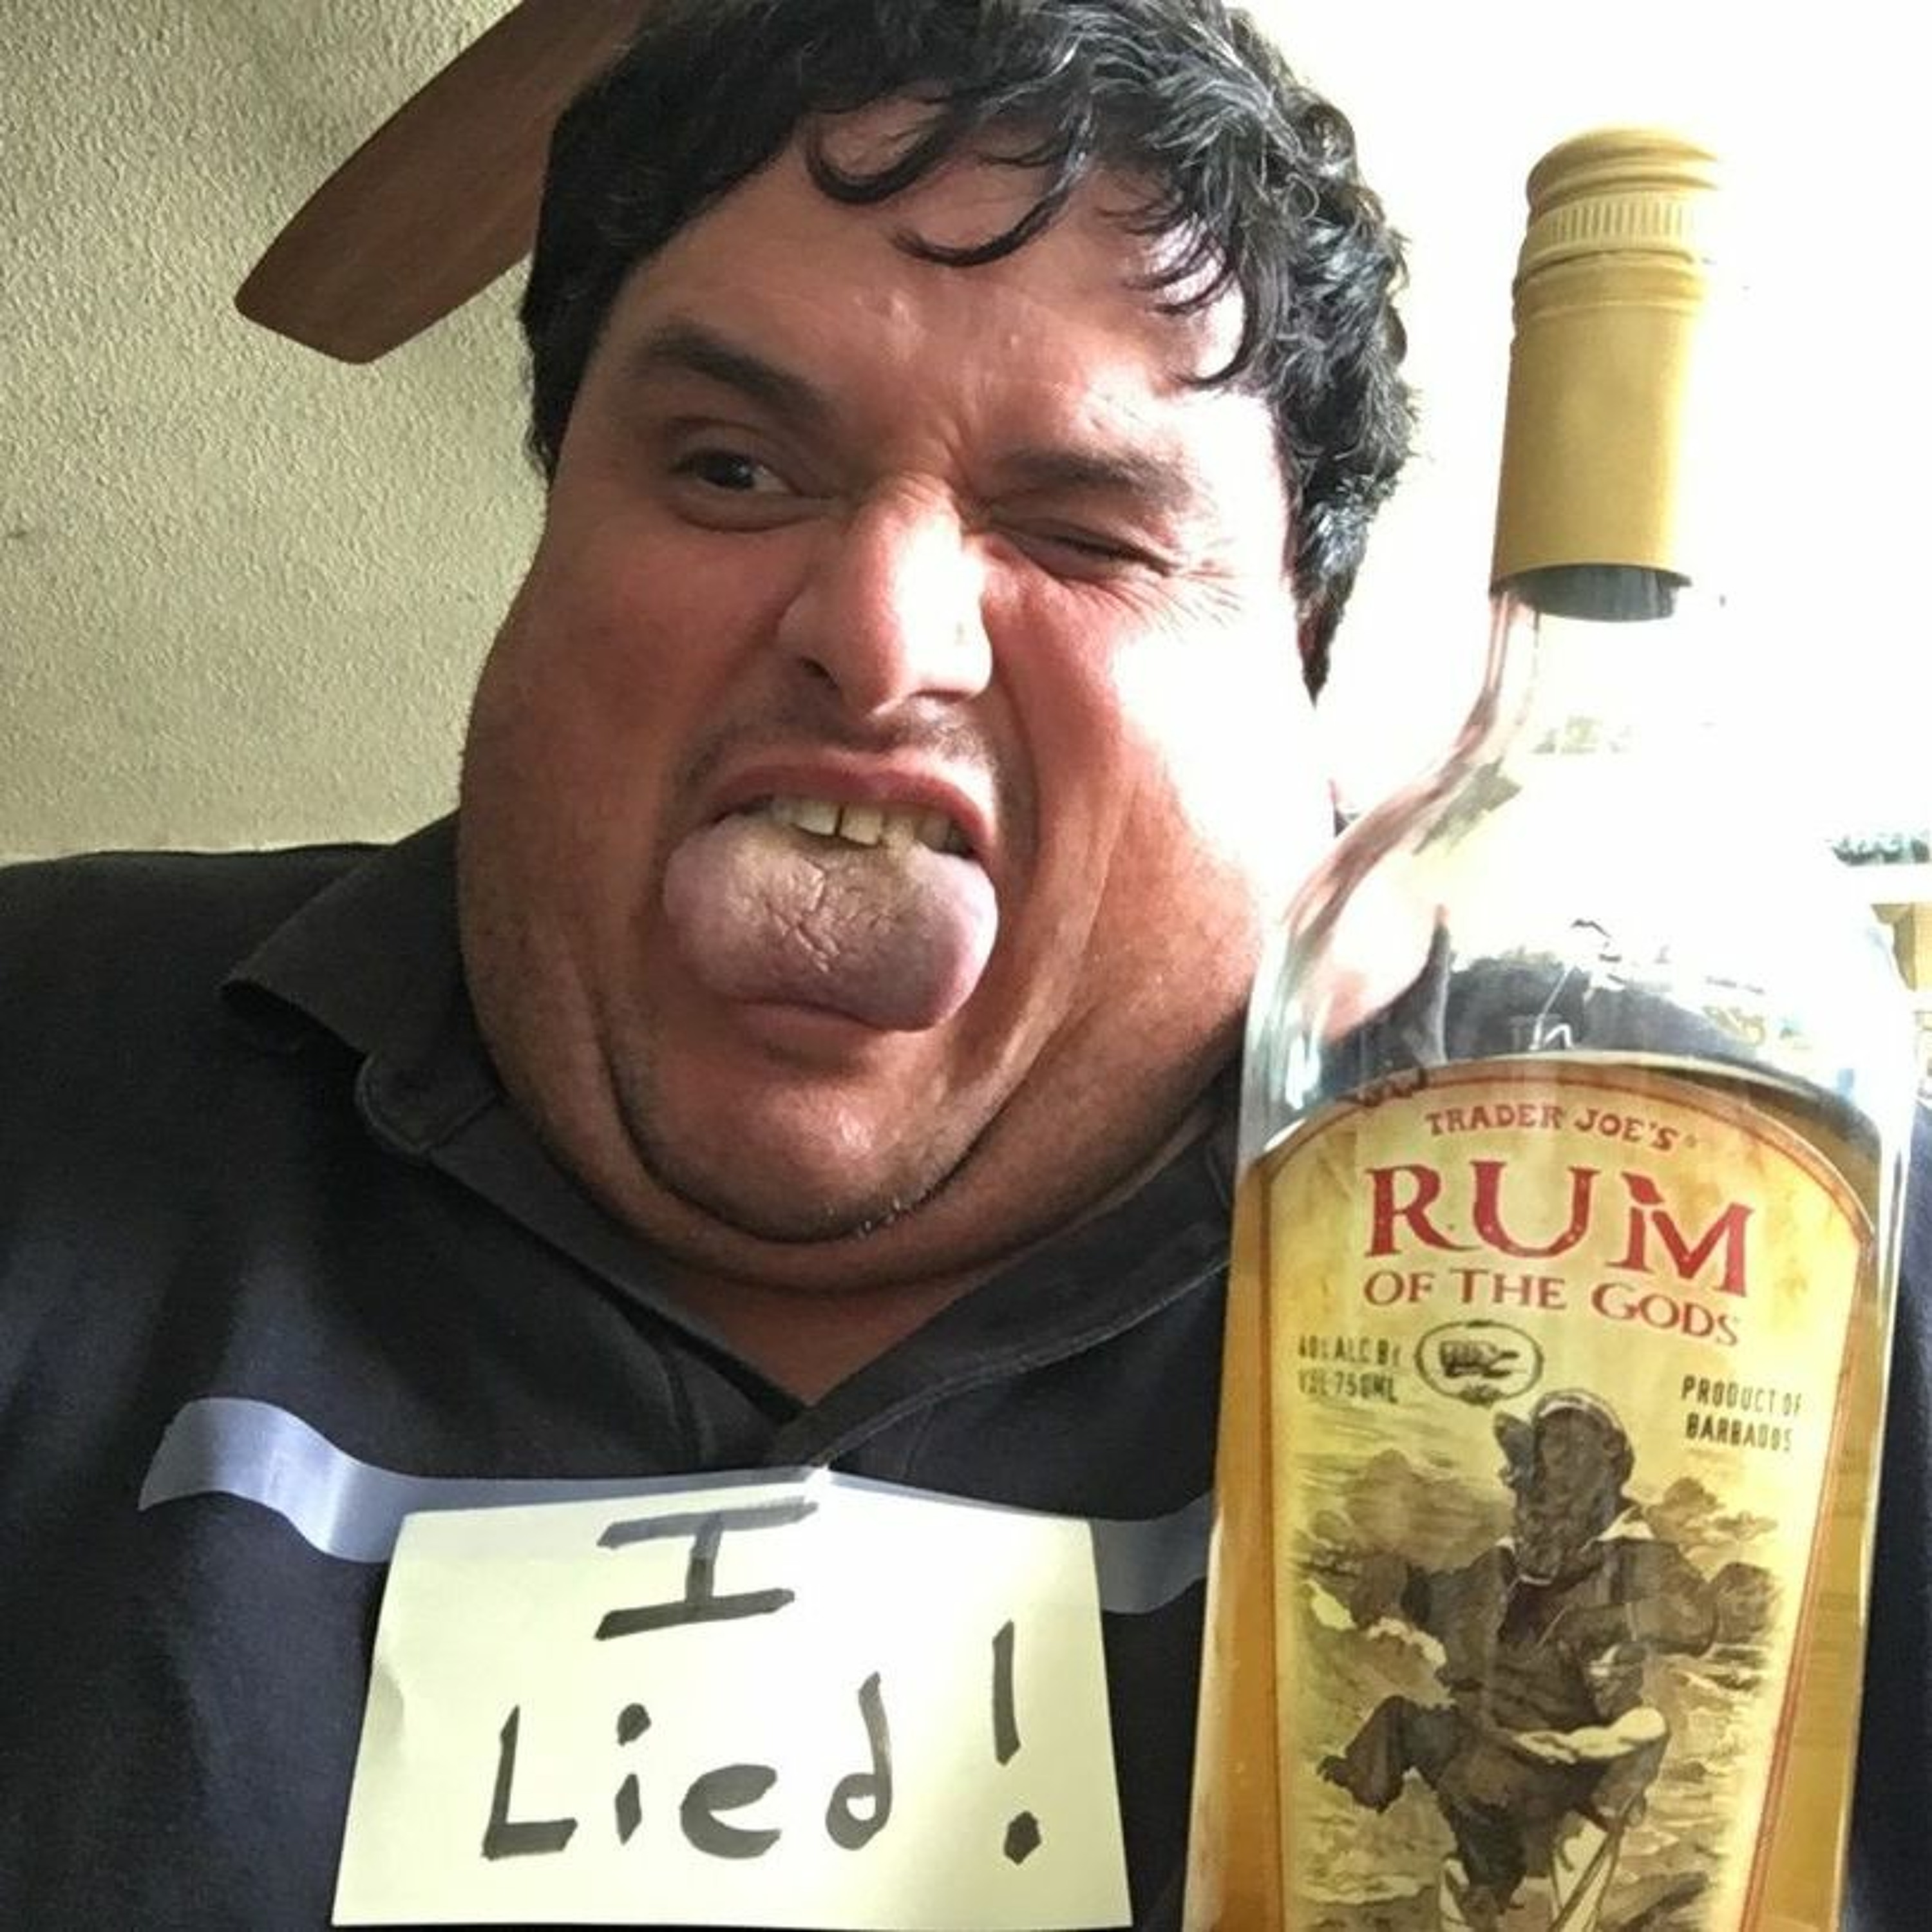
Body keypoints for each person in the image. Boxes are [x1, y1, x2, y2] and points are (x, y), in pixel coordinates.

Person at [0, 2, 1924, 1928]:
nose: (880, 632)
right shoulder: (41, 1048)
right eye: (730, 470)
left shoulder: (1777, 1234)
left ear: (1304, 687)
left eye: (1085, 533)